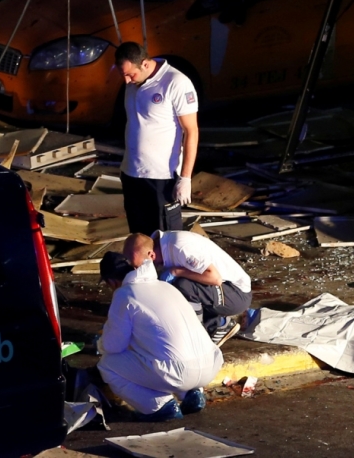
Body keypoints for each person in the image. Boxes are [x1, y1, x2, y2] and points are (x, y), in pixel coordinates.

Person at [96, 251, 223, 422]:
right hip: (210, 366)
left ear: (111, 281)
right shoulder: (165, 286)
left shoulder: (125, 294)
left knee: (107, 365)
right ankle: (192, 394)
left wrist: (100, 344)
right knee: (165, 350)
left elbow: (113, 346)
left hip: (178, 374)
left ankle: (160, 406)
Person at [115, 42, 199, 236]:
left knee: (165, 238)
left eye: (130, 74)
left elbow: (191, 130)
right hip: (132, 174)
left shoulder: (176, 83)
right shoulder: (133, 83)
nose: (126, 81)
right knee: (138, 237)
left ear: (145, 64)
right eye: (123, 75)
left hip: (161, 177)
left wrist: (185, 178)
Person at [123, 230, 252, 347]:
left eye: (137, 266)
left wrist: (176, 271)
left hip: (237, 294)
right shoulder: (158, 246)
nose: (137, 270)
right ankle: (219, 324)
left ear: (151, 255)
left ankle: (199, 339)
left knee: (185, 285)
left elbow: (215, 278)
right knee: (171, 287)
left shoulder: (180, 248)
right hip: (223, 289)